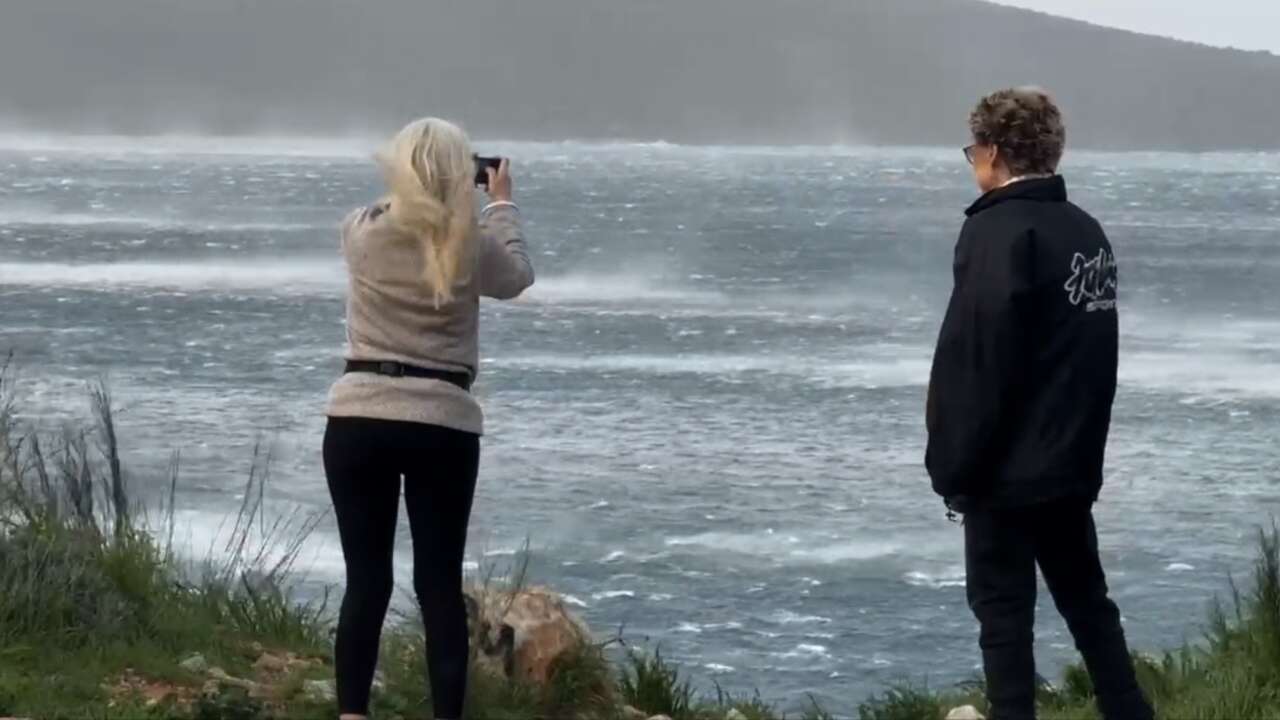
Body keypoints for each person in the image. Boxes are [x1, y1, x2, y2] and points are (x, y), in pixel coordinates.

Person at [925, 88, 1154, 720]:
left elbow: (977, 360)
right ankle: (1129, 712)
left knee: (1003, 617)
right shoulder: (1085, 231)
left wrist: (952, 468)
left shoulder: (996, 230)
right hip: (1072, 463)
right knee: (1087, 602)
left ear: (994, 151)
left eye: (975, 149)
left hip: (1004, 471)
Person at [323, 117, 534, 720]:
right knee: (437, 587)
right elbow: (517, 277)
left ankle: (352, 714)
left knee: (366, 582)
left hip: (358, 418)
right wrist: (500, 204)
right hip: (442, 424)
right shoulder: (468, 243)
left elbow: (391, 214)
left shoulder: (362, 232)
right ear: (457, 173)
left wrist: (419, 191)